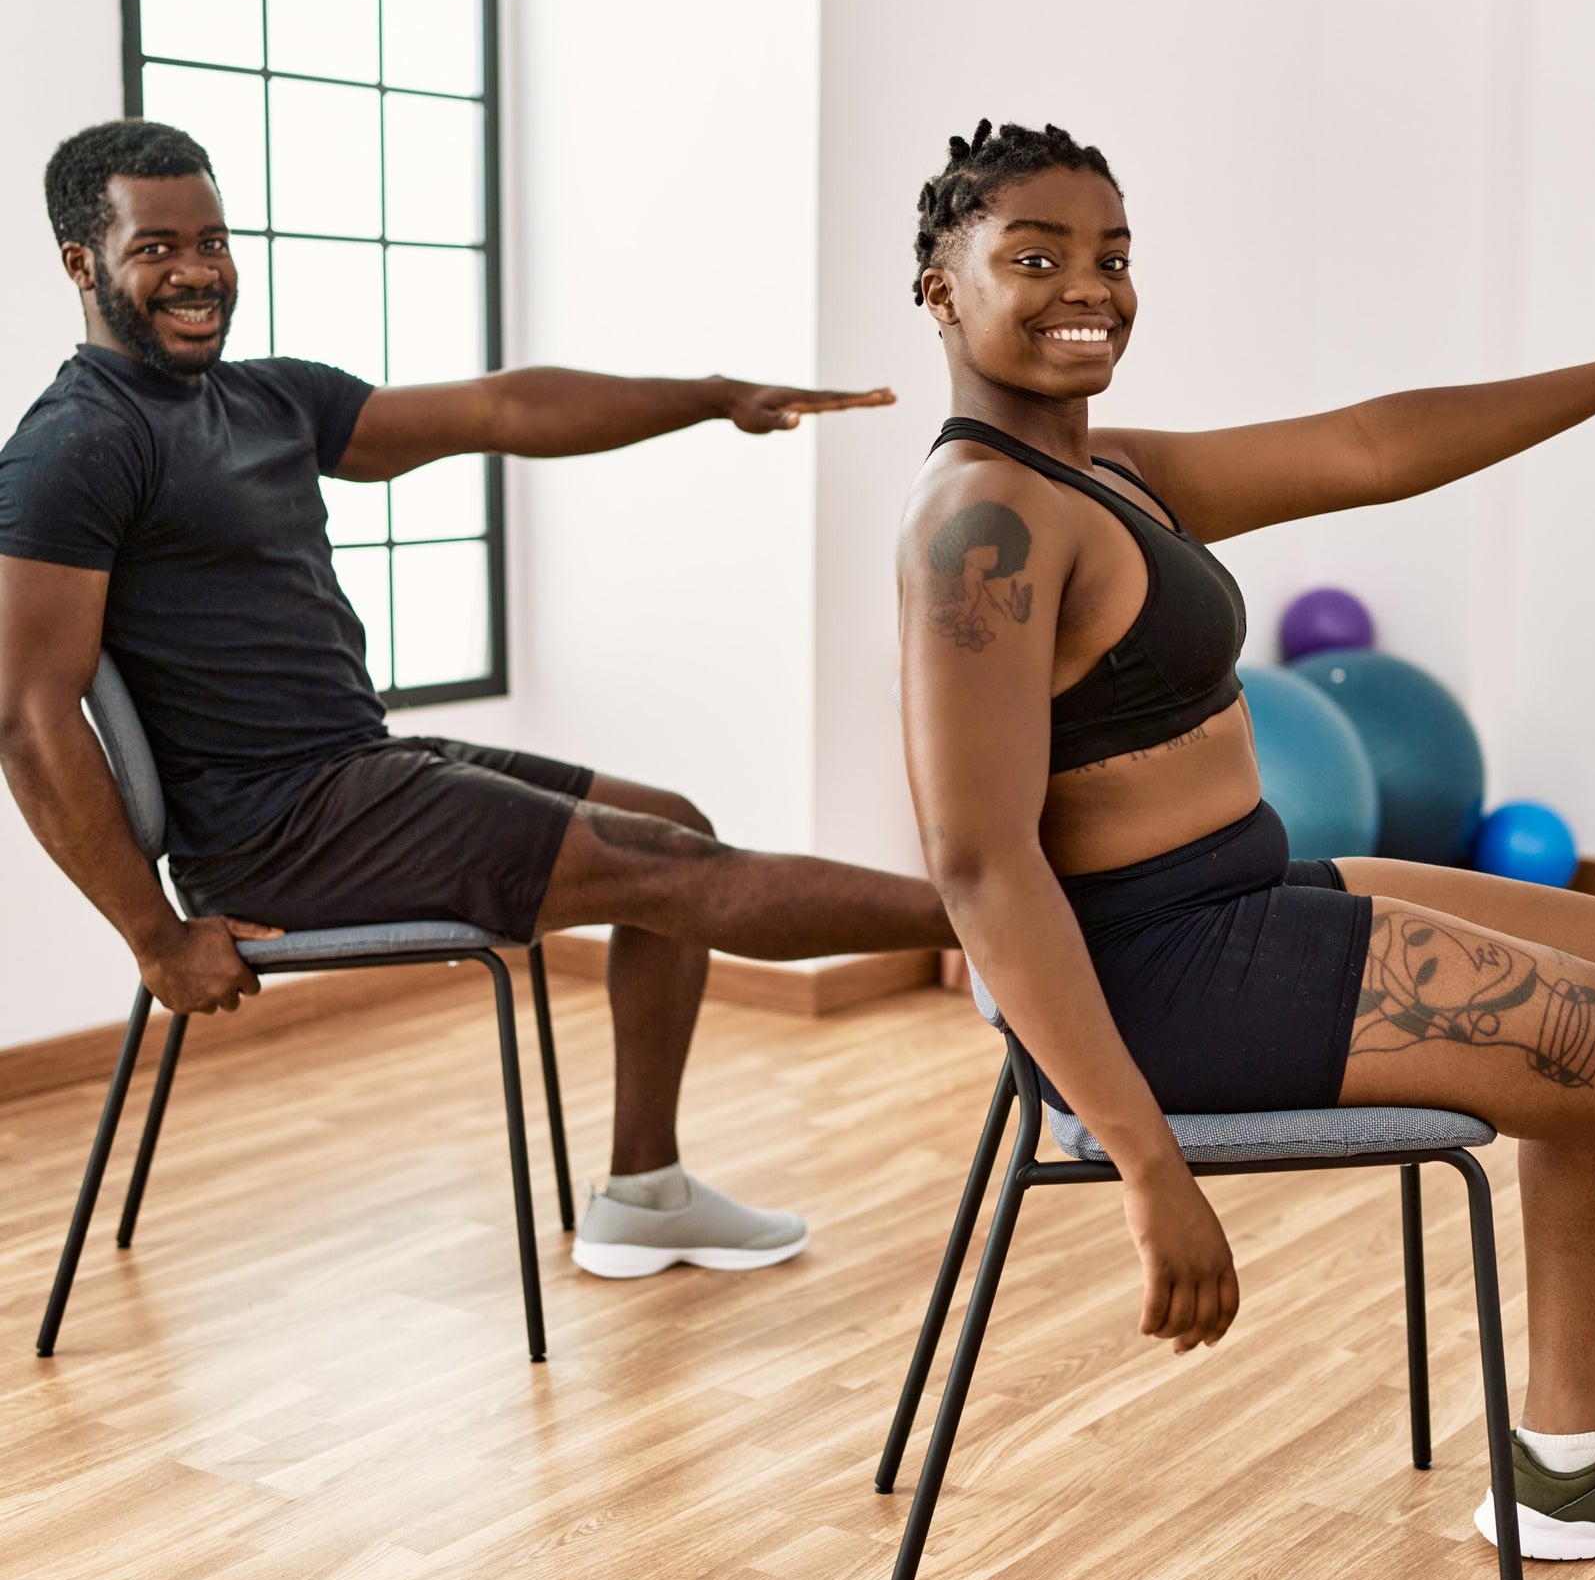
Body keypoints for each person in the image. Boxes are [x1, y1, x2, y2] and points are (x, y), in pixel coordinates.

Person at [893, 117, 1595, 1571]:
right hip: (1156, 975)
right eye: (1031, 256)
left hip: (1232, 892)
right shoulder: (981, 527)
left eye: (1111, 254)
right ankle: (1575, 1470)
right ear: (941, 286)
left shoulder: (1109, 474)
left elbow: (1366, 448)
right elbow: (980, 868)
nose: (1084, 287)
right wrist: (1145, 1159)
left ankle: (1568, 1459)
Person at [0, 118, 954, 1283]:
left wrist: (711, 396)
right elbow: (28, 710)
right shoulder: (75, 446)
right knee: (675, 868)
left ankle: (646, 1193)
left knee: (679, 825)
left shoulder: (265, 401)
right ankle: (1013, 921)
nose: (199, 270)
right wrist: (152, 934)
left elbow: (501, 409)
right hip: (274, 833)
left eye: (214, 238)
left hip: (351, 771)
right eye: (157, 247)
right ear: (79, 262)